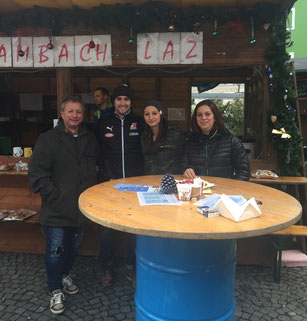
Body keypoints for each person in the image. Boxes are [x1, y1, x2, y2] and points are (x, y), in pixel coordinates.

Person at [28, 96, 98, 315]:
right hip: (57, 209)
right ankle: (55, 288)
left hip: (81, 209)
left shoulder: (91, 139)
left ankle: (64, 274)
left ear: (83, 115)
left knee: (74, 248)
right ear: (63, 114)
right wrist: (55, 196)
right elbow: (37, 175)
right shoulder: (47, 139)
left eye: (78, 112)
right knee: (56, 250)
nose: (75, 115)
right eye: (70, 111)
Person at [96, 85, 144, 287]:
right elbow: (97, 152)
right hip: (110, 186)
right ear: (113, 101)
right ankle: (106, 266)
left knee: (134, 229)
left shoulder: (140, 122)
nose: (123, 102)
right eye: (119, 99)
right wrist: (104, 175)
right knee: (107, 230)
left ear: (131, 101)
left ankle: (132, 268)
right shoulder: (103, 122)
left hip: (136, 187)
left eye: (126, 99)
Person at [182, 99, 250, 181]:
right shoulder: (189, 142)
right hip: (197, 190)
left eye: (207, 114)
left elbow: (244, 172)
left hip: (224, 191)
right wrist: (185, 170)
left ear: (215, 117)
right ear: (195, 118)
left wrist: (233, 188)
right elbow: (181, 165)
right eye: (199, 115)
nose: (203, 118)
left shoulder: (232, 141)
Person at [141, 99, 185, 175]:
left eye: (154, 113)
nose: (150, 117)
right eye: (147, 114)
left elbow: (184, 157)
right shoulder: (144, 136)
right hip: (149, 181)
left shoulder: (175, 133)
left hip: (170, 181)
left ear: (160, 114)